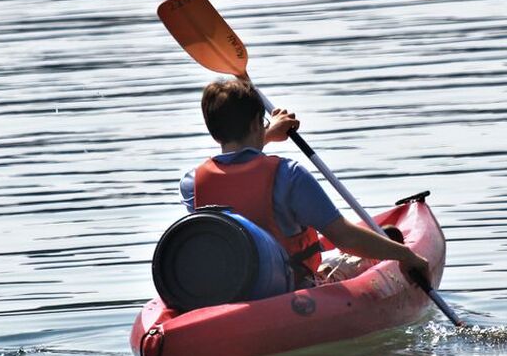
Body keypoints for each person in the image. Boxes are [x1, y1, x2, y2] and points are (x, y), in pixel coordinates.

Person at [179, 77, 430, 292]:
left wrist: (265, 135)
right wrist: (406, 255)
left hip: (230, 292)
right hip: (293, 291)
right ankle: (386, 246)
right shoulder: (289, 175)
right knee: (347, 258)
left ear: (214, 132)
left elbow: (236, 168)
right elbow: (345, 237)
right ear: (257, 122)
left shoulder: (192, 184)